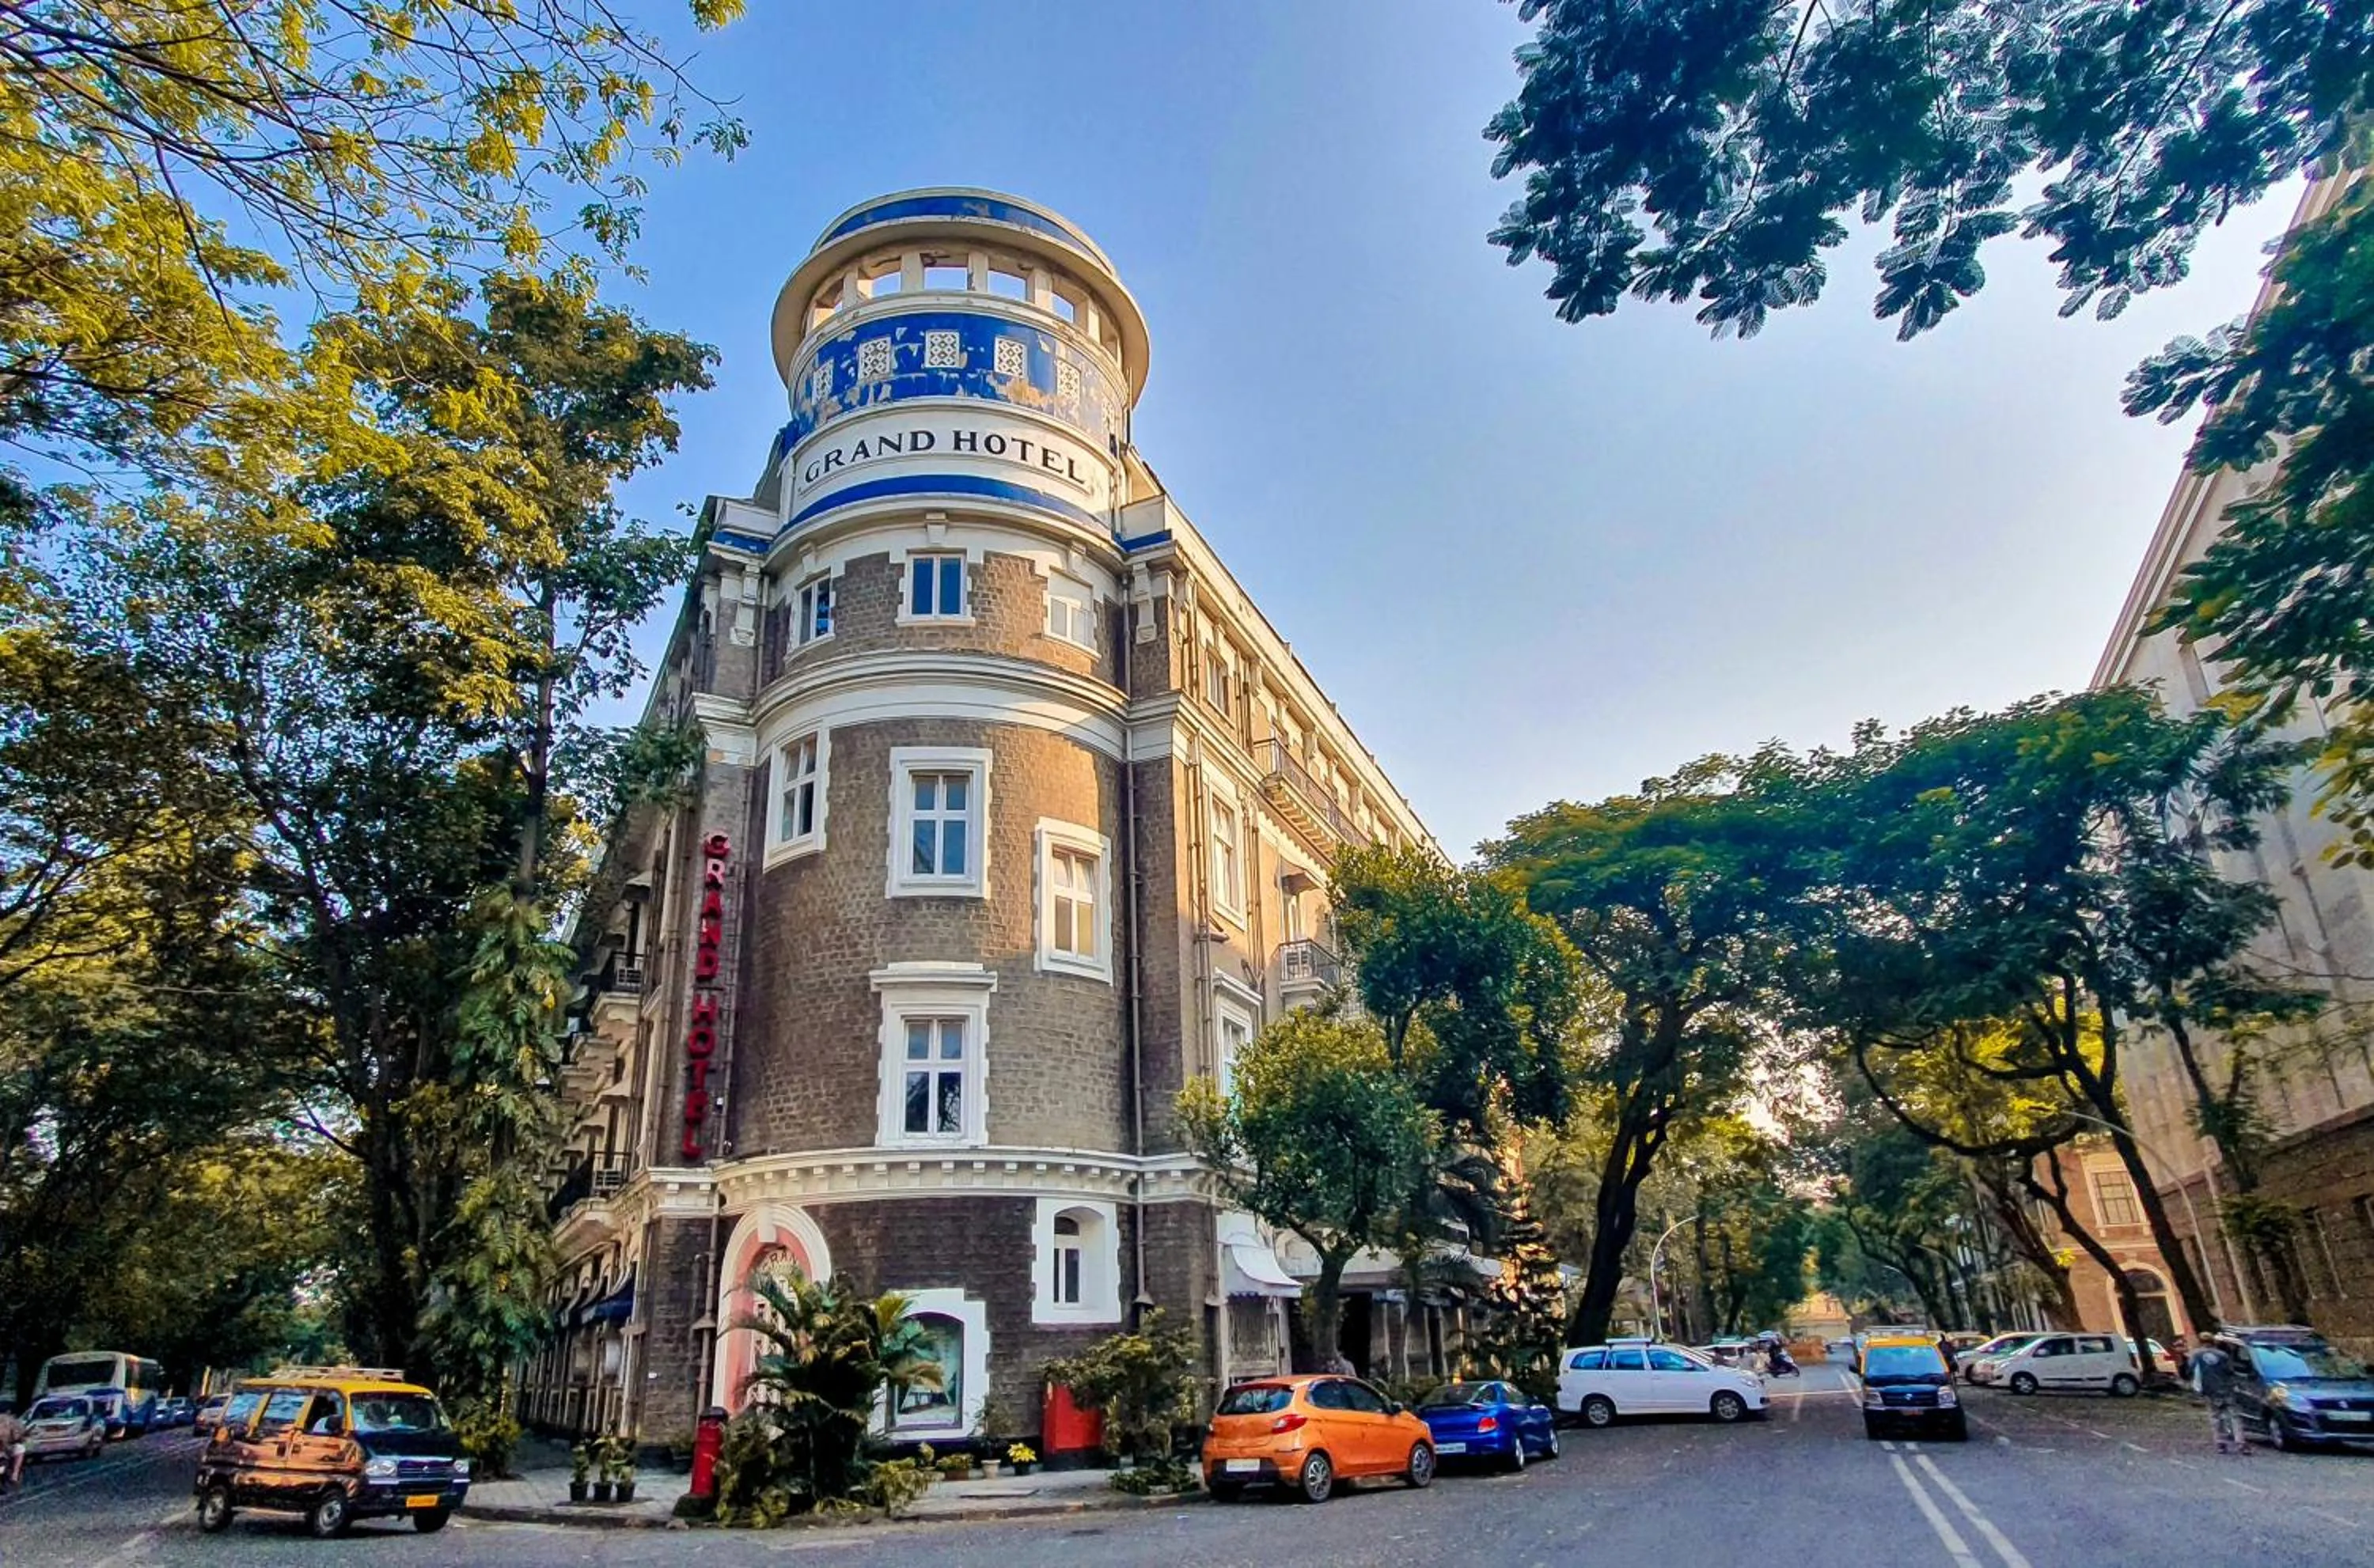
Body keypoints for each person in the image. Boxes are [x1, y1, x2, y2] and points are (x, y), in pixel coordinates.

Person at [2190, 1339, 2247, 1455]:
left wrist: (2198, 1390)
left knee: (2215, 1417)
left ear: (2201, 1342)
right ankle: (2240, 1443)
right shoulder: (2223, 1355)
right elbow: (2230, 1371)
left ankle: (2220, 1443)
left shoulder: (2196, 1355)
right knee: (2234, 1416)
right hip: (2226, 1389)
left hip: (2210, 1391)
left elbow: (2191, 1371)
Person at [0, 1405, 24, 1492]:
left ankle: (15, 1473)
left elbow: (18, 1435)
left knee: (19, 1449)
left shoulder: (13, 1423)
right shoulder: (9, 1422)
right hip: (4, 1449)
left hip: (8, 1449)